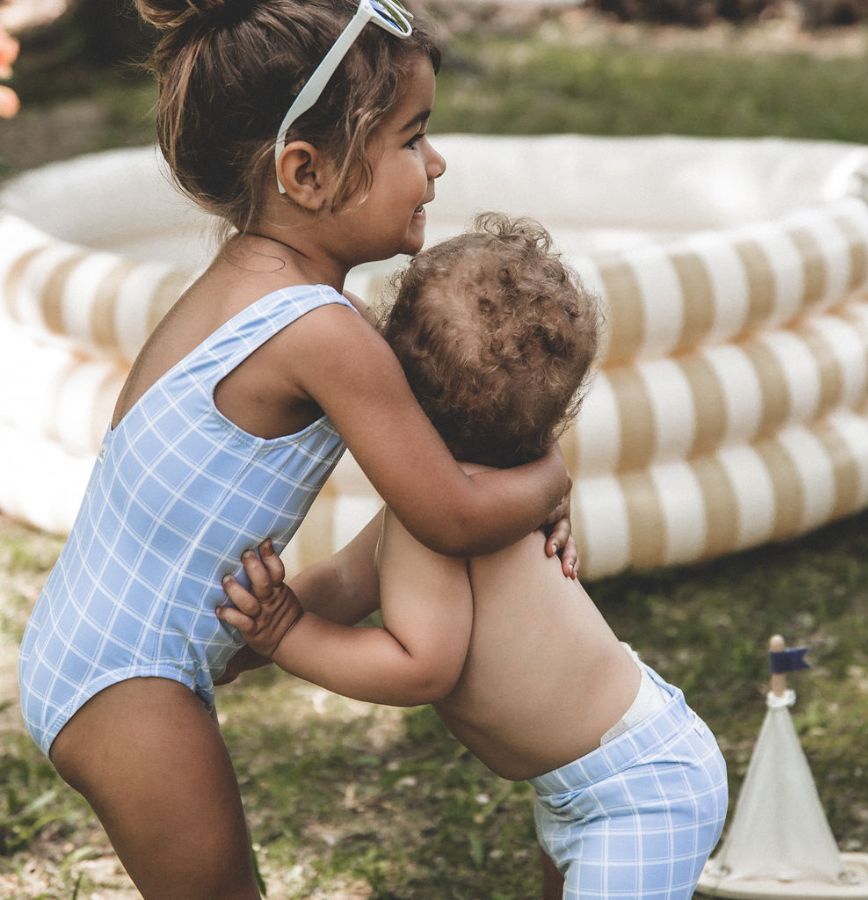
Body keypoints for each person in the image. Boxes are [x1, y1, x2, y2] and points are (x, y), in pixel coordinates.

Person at [16, 4, 575, 898]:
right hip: (132, 683)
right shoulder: (320, 332)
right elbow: (452, 513)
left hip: (99, 651)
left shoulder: (241, 280)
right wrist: (550, 476)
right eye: (410, 139)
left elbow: (418, 498)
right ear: (306, 173)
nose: (435, 165)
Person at [219, 214, 730, 900]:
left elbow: (420, 668)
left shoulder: (448, 525)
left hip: (638, 792)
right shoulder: (445, 502)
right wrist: (242, 644)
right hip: (591, 778)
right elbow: (345, 580)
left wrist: (287, 635)